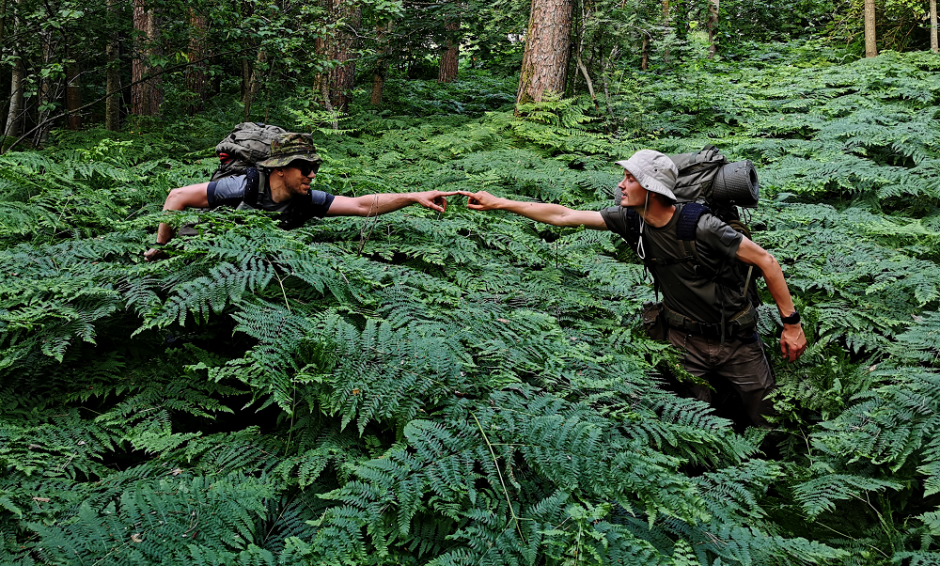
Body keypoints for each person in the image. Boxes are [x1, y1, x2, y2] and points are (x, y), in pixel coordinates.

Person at [458, 149, 807, 428]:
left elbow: (767, 262)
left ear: (652, 189)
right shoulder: (631, 221)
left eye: (630, 179)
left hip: (737, 342)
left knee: (770, 420)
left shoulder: (702, 226)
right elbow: (563, 215)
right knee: (695, 426)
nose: (621, 186)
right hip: (683, 342)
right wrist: (499, 203)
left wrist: (791, 325)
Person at [145, 133, 457, 262]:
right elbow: (177, 197)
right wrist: (161, 248)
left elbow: (362, 205)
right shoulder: (243, 186)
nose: (311, 175)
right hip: (202, 248)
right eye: (304, 168)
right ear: (279, 170)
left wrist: (415, 196)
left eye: (314, 168)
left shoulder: (306, 199)